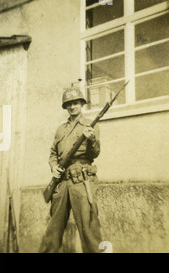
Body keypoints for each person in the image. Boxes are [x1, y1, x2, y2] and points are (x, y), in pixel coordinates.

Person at [40, 86, 103, 253]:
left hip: (82, 181)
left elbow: (95, 153)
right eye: (68, 104)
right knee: (53, 230)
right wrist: (54, 168)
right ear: (65, 107)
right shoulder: (61, 129)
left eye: (75, 103)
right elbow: (53, 153)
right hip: (61, 183)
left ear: (81, 104)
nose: (72, 106)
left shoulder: (90, 125)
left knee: (89, 229)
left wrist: (91, 140)